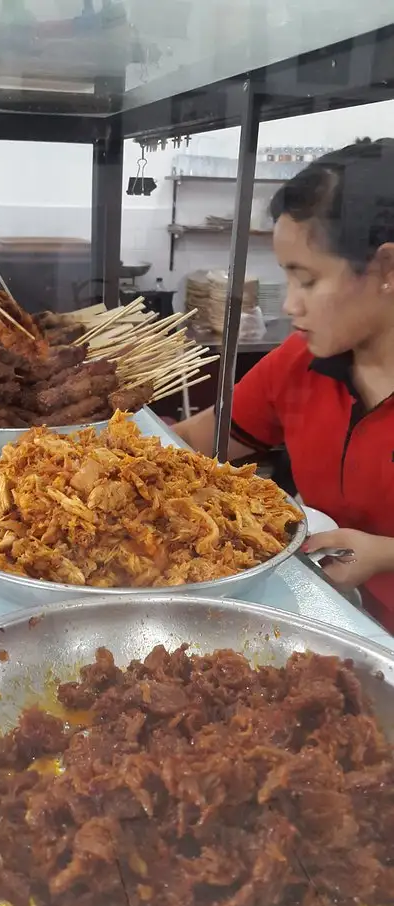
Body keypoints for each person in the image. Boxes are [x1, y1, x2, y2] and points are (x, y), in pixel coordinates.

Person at [175, 139, 394, 632]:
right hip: (327, 620)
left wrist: (385, 555)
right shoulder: (300, 362)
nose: (289, 306)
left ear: (385, 269)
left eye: (308, 281)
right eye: (286, 280)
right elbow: (192, 442)